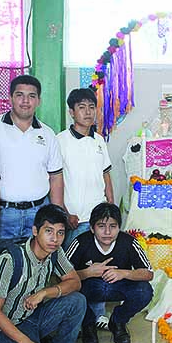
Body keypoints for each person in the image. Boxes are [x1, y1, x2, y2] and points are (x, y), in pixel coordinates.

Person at [0, 205, 86, 343]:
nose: (55, 239)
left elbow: (75, 282)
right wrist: (25, 342)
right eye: (49, 231)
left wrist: (45, 293)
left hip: (29, 317)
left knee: (77, 301)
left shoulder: (55, 252)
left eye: (60, 233)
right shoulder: (10, 259)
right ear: (35, 231)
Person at [0, 75, 64, 240]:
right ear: (10, 98)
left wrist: (57, 216)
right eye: (20, 95)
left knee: (37, 256)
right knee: (0, 256)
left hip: (39, 214)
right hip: (1, 214)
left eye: (31, 96)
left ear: (38, 100)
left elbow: (56, 177)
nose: (25, 101)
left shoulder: (47, 134)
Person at [66, 203, 153, 343]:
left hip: (119, 286)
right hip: (89, 288)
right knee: (68, 291)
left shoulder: (129, 242)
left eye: (113, 226)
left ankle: (118, 322)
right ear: (92, 228)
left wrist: (123, 273)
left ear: (119, 227)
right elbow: (60, 277)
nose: (107, 232)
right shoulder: (80, 242)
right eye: (101, 226)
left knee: (144, 290)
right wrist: (87, 273)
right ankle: (88, 324)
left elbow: (148, 273)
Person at [58, 88, 114, 248]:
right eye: (82, 107)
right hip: (75, 220)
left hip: (99, 218)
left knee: (100, 260)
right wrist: (65, 213)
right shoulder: (60, 141)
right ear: (71, 112)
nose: (88, 112)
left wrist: (111, 206)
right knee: (72, 261)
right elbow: (54, 182)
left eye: (91, 107)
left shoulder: (99, 140)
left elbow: (106, 174)